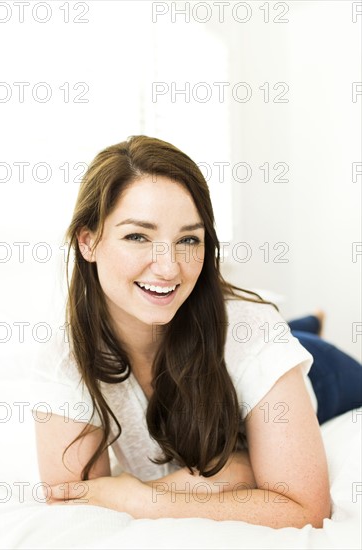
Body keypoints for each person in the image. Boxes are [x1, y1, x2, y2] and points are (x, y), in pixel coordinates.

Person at [32, 135, 361, 529]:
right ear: (87, 241)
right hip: (228, 338)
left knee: (288, 341)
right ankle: (306, 322)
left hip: (323, 374)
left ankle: (306, 327)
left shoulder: (252, 332)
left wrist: (146, 499)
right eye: (138, 236)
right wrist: (234, 471)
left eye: (188, 239)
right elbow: (77, 501)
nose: (169, 268)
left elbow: (305, 506)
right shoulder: (63, 355)